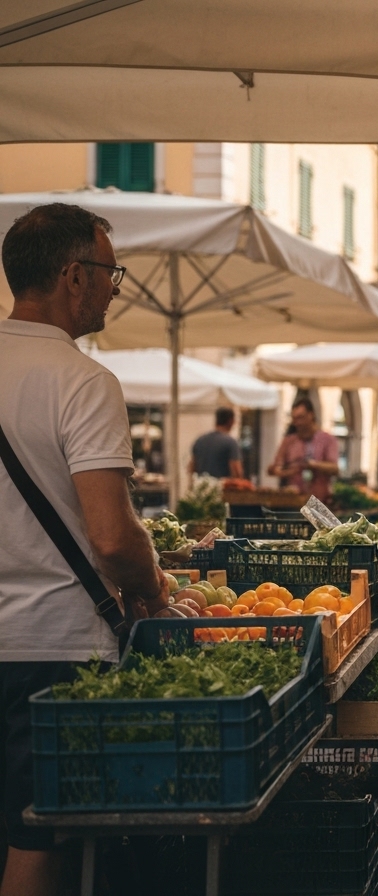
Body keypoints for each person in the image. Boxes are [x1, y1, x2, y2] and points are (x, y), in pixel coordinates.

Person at [0, 203, 170, 895]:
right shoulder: (82, 381)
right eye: (109, 272)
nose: (114, 287)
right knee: (42, 841)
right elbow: (111, 536)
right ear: (73, 276)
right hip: (52, 650)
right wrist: (154, 588)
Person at [268, 398, 340, 502]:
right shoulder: (289, 441)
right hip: (293, 501)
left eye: (301, 417)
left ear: (311, 415)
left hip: (321, 501)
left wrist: (313, 464)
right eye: (294, 419)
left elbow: (334, 468)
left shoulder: (328, 439)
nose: (298, 423)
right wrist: (287, 471)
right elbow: (275, 468)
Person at [189, 407, 244, 480]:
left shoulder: (200, 440)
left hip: (202, 487)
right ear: (231, 421)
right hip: (222, 488)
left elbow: (192, 467)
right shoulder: (230, 442)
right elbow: (236, 470)